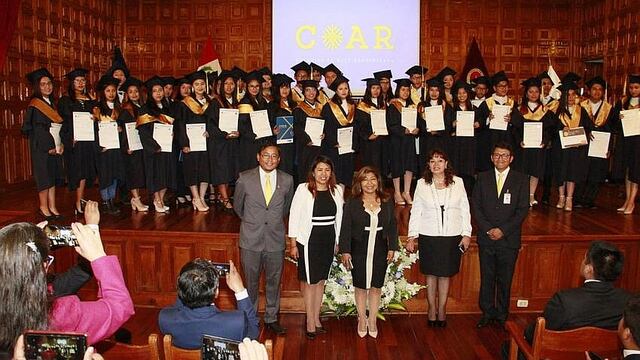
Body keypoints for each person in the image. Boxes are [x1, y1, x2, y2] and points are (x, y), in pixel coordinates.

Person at [0, 201, 134, 354]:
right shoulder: (61, 313)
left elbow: (58, 285)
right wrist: (98, 255)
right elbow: (120, 307)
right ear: (44, 266)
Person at [504, 241, 630, 360]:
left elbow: (537, 334)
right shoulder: (629, 301)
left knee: (507, 347)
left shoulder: (564, 300)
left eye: (584, 259)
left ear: (589, 269)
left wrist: (525, 333)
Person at [406, 149, 471, 328]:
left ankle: (442, 308)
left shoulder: (458, 183)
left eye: (440, 161)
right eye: (432, 161)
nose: (436, 165)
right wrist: (412, 236)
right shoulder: (421, 184)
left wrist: (466, 233)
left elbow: (465, 209)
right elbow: (416, 211)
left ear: (446, 164)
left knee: (445, 275)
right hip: (429, 235)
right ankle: (431, 307)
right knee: (431, 274)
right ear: (428, 164)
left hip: (451, 236)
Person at [234, 144, 294, 335]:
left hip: (275, 240)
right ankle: (250, 318)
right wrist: (254, 223)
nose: (270, 159)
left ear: (279, 159)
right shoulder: (245, 178)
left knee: (273, 281)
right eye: (266, 155)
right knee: (250, 282)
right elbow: (238, 207)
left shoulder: (287, 180)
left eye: (274, 156)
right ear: (258, 157)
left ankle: (271, 318)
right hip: (251, 240)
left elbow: (286, 208)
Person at [472, 142, 529, 328]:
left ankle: (502, 314)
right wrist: (489, 228)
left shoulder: (521, 179)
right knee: (487, 277)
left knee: (505, 279)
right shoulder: (482, 177)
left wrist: (503, 230)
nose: (500, 159)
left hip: (508, 239)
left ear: (511, 158)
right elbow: (476, 206)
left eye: (505, 155)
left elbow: (522, 210)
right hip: (486, 238)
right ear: (491, 157)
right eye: (497, 155)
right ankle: (487, 312)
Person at [288, 156, 344, 339]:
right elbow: (294, 216)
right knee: (311, 283)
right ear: (313, 172)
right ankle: (310, 322)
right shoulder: (303, 189)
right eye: (320, 170)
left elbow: (339, 219)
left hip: (327, 241)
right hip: (309, 241)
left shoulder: (337, 190)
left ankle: (317, 318)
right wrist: (293, 243)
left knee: (321, 281)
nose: (323, 174)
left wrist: (337, 242)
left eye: (327, 170)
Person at [340, 166, 398, 338]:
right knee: (360, 285)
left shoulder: (387, 200)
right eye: (365, 179)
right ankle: (361, 319)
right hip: (359, 247)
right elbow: (345, 228)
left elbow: (393, 226)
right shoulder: (352, 202)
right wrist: (345, 250)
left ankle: (372, 319)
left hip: (380, 247)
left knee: (375, 285)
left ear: (378, 181)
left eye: (373, 179)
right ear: (359, 183)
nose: (369, 183)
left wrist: (393, 246)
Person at [158, 259, 259, 349]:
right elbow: (253, 332)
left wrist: (187, 281)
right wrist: (240, 290)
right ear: (216, 293)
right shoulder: (236, 322)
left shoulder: (165, 318)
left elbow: (177, 306)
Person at [21, 68, 65, 221]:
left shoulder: (52, 103)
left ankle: (52, 206)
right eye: (43, 84)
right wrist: (49, 147)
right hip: (42, 147)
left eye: (49, 83)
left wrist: (61, 144)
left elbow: (58, 126)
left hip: (54, 146)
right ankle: (43, 207)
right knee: (44, 177)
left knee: (52, 176)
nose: (47, 87)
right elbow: (38, 129)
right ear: (37, 87)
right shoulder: (35, 105)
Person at [510, 77, 557, 207]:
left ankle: (531, 195)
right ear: (526, 94)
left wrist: (545, 141)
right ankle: (522, 195)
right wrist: (519, 141)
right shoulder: (519, 110)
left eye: (536, 91)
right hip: (523, 147)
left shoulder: (545, 111)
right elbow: (514, 129)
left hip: (538, 146)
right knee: (523, 171)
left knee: (535, 171)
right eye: (531, 92)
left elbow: (549, 130)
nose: (534, 94)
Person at [58, 68, 98, 216]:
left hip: (88, 141)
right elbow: (66, 122)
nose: (81, 83)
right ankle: (78, 201)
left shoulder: (90, 99)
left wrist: (95, 117)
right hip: (75, 140)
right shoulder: (66, 100)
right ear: (72, 83)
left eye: (83, 80)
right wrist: (69, 138)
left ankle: (81, 199)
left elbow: (96, 118)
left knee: (86, 171)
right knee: (78, 171)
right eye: (77, 81)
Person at [137, 76, 177, 213]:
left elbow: (173, 126)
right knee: (156, 174)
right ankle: (156, 199)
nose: (158, 93)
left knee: (166, 174)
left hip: (167, 147)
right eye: (155, 91)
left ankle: (161, 197)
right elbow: (143, 132)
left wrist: (173, 134)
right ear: (149, 93)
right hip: (153, 149)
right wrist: (154, 146)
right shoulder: (144, 109)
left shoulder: (168, 108)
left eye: (160, 90)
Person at [575, 76, 616, 209]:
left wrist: (609, 147)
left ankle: (590, 200)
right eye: (594, 89)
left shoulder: (609, 109)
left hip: (600, 144)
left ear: (603, 92)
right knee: (582, 170)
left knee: (597, 172)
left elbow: (612, 129)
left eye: (600, 89)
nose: (597, 92)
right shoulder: (581, 106)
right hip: (584, 143)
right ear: (589, 91)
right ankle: (578, 199)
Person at [175, 70, 212, 212]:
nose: (200, 86)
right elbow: (180, 125)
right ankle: (195, 198)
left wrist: (211, 132)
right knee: (192, 170)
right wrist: (184, 144)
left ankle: (202, 197)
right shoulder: (185, 103)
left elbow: (213, 122)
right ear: (192, 86)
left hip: (205, 142)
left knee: (205, 170)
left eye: (202, 83)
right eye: (196, 84)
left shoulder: (210, 102)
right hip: (191, 144)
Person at [553, 81, 592, 212]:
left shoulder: (581, 111)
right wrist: (560, 128)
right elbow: (550, 128)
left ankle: (569, 198)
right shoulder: (556, 110)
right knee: (561, 171)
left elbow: (588, 128)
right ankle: (561, 197)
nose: (570, 97)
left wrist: (584, 133)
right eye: (567, 95)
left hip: (575, 148)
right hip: (560, 147)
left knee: (572, 172)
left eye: (572, 94)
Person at [93, 75, 125, 215]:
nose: (111, 93)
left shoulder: (119, 108)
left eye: (113, 90)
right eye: (108, 91)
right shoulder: (97, 109)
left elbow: (124, 128)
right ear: (103, 92)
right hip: (104, 149)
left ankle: (111, 199)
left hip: (116, 149)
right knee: (105, 175)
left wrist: (120, 130)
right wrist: (99, 147)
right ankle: (105, 201)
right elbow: (93, 130)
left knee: (114, 175)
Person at [116, 77, 149, 212]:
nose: (134, 94)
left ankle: (137, 199)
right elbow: (123, 131)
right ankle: (135, 198)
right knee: (133, 173)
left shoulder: (143, 107)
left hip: (141, 146)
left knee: (139, 172)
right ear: (127, 95)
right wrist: (126, 147)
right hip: (131, 147)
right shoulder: (126, 110)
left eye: (136, 91)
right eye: (130, 92)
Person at [210, 70, 240, 211]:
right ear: (221, 86)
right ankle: (225, 198)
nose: (229, 86)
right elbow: (211, 124)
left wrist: (238, 131)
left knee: (229, 170)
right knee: (222, 170)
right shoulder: (216, 103)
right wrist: (223, 134)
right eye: (226, 84)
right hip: (220, 142)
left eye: (232, 83)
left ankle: (224, 196)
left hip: (232, 142)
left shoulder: (235, 103)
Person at [476, 71, 517, 171]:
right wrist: (487, 119)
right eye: (500, 86)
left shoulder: (512, 103)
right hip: (490, 139)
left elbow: (518, 122)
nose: (504, 88)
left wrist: (512, 120)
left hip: (507, 138)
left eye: (506, 86)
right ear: (494, 88)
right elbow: (478, 121)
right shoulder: (487, 103)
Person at [388, 78, 420, 205]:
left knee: (409, 165)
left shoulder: (412, 106)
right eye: (403, 89)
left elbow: (418, 123)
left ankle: (406, 192)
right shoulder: (393, 105)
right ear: (398, 91)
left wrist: (418, 129)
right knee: (397, 165)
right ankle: (396, 192)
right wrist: (403, 130)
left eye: (407, 90)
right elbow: (391, 124)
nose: (405, 92)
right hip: (397, 140)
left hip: (410, 140)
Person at [321, 75, 357, 186]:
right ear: (336, 90)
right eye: (340, 89)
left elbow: (356, 126)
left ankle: (341, 196)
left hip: (348, 146)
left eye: (346, 88)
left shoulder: (353, 105)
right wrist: (333, 141)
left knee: (347, 173)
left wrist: (354, 143)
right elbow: (326, 126)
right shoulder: (328, 107)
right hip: (335, 146)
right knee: (336, 172)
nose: (344, 91)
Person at [614, 74, 640, 215]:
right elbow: (615, 123)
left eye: (636, 87)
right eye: (631, 87)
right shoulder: (623, 102)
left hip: (638, 142)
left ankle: (632, 201)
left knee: (635, 170)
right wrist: (620, 117)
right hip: (626, 140)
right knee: (628, 170)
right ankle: (627, 200)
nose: (633, 90)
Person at [451, 80, 481, 194]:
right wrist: (452, 124)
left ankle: (468, 192)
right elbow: (447, 125)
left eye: (464, 93)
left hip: (469, 143)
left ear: (468, 94)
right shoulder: (451, 109)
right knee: (456, 167)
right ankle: (456, 192)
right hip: (457, 143)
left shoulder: (473, 109)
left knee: (468, 168)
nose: (461, 95)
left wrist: (478, 124)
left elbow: (481, 122)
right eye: (459, 93)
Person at [292, 79, 325, 183]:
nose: (311, 93)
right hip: (305, 148)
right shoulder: (298, 109)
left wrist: (325, 134)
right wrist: (307, 139)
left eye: (313, 90)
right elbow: (296, 127)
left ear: (317, 91)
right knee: (306, 174)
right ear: (304, 92)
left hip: (319, 147)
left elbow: (327, 125)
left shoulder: (322, 108)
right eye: (308, 90)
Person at [356, 78, 389, 177]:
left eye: (378, 88)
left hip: (382, 142)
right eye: (373, 88)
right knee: (370, 167)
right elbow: (359, 126)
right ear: (368, 89)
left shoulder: (383, 104)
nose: (376, 91)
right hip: (369, 143)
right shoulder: (362, 106)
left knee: (381, 166)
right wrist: (367, 136)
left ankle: (379, 189)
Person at [269, 73, 297, 178]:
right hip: (279, 145)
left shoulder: (294, 105)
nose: (285, 90)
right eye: (282, 87)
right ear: (276, 89)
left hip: (293, 144)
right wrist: (273, 131)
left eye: (287, 87)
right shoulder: (272, 106)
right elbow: (269, 124)